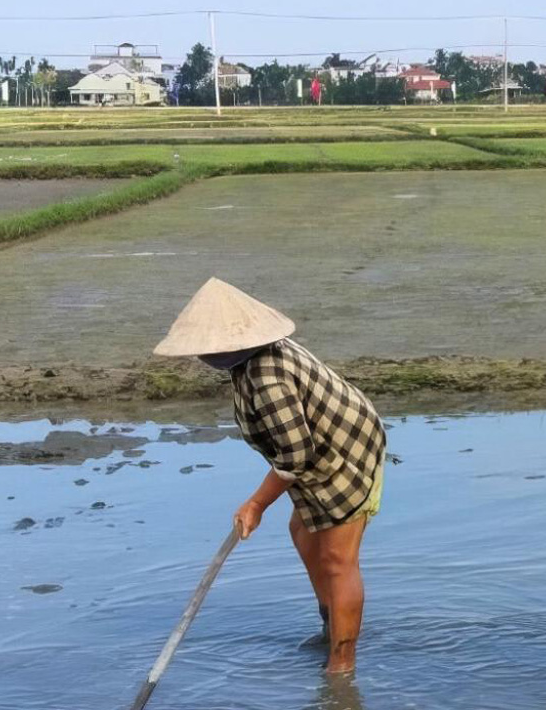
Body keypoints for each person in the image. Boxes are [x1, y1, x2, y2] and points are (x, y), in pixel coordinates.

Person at [153, 278, 386, 674]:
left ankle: (342, 663)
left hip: (346, 451)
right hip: (320, 450)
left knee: (337, 559)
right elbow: (295, 449)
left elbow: (296, 453)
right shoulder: (248, 364)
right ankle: (332, 624)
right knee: (302, 532)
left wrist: (257, 503)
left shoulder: (266, 375)